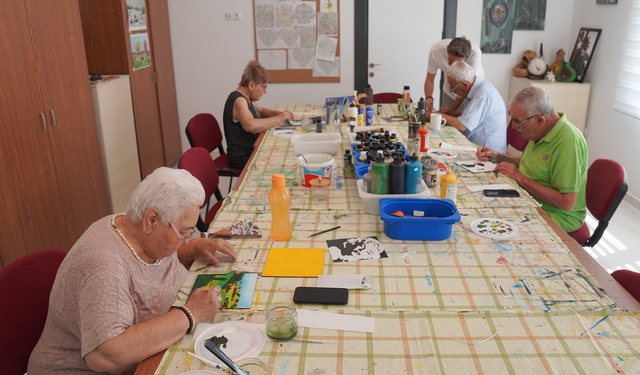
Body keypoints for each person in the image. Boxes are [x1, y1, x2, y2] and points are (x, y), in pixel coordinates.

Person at [28, 167, 238, 375]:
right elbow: (108, 355)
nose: (186, 237)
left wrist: (190, 248)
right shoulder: (105, 265)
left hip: (153, 349)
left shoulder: (136, 226)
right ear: (151, 220)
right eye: (183, 232)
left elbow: (152, 264)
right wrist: (191, 314)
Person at [476, 87, 588, 233]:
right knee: (481, 209)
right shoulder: (541, 130)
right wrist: (498, 156)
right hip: (529, 199)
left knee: (495, 229)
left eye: (517, 121)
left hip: (557, 215)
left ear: (540, 119)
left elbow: (567, 203)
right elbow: (531, 164)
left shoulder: (569, 142)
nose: (515, 127)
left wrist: (520, 178)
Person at [224, 60, 293, 169]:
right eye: (264, 87)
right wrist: (279, 118)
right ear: (251, 84)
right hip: (242, 157)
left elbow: (261, 112)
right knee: (282, 161)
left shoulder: (247, 98)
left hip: (250, 150)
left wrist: (281, 114)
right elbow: (250, 126)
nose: (265, 91)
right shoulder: (238, 100)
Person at [436, 61, 507, 153]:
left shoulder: (483, 94)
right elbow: (474, 116)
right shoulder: (476, 87)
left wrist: (433, 116)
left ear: (465, 85)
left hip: (489, 154)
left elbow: (462, 125)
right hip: (476, 146)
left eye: (453, 87)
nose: (452, 90)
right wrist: (453, 113)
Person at [423, 37, 484, 113]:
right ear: (447, 49)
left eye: (457, 63)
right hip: (449, 90)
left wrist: (450, 112)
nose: (453, 66)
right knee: (445, 121)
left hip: (468, 93)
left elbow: (466, 89)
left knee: (462, 121)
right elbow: (429, 80)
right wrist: (429, 97)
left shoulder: (475, 54)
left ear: (467, 57)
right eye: (451, 61)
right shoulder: (435, 51)